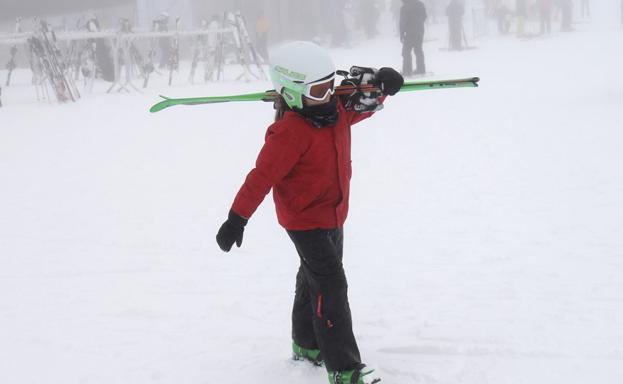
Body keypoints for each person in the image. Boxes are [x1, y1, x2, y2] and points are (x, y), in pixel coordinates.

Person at [215, 41, 403, 384]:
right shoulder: (289, 132)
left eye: (330, 85)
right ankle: (344, 369)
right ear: (291, 92)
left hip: (333, 214)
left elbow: (360, 107)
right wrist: (236, 218)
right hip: (304, 220)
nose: (328, 94)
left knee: (312, 278)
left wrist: (383, 90)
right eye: (319, 89)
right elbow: (261, 177)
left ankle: (306, 344)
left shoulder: (334, 111)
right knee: (331, 287)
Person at [400, 0, 428, 76]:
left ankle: (407, 70)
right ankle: (421, 69)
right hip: (419, 31)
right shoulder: (420, 4)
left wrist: (401, 34)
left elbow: (402, 22)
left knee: (406, 52)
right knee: (418, 50)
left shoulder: (404, 7)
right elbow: (424, 16)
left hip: (409, 32)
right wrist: (419, 23)